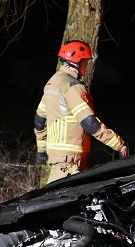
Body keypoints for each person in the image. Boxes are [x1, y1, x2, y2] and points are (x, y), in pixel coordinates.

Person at [34, 39, 129, 184]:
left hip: (60, 157)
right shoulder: (72, 86)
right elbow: (89, 123)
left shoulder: (52, 84)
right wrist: (118, 144)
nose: (86, 65)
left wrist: (42, 149)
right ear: (76, 62)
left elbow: (39, 120)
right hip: (69, 161)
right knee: (59, 201)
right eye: (85, 61)